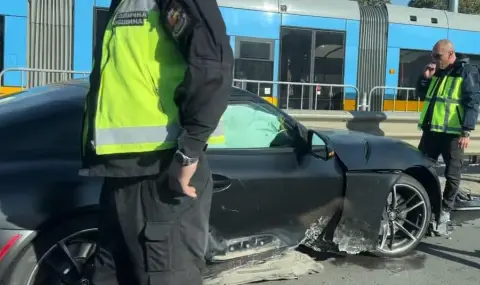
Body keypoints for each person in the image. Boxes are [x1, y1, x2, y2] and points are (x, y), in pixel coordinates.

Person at [79, 0, 233, 284]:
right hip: (119, 171)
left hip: (162, 170)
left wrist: (189, 152)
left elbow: (212, 66)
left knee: (164, 275)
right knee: (110, 274)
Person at [416, 39, 480, 229]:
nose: (435, 59)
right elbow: (421, 94)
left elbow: (472, 102)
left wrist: (466, 132)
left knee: (452, 175)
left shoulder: (466, 72)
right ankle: (424, 207)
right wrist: (425, 77)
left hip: (453, 135)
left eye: (438, 56)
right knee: (421, 170)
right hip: (431, 132)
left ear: (451, 54)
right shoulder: (437, 72)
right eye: (433, 55)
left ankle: (444, 212)